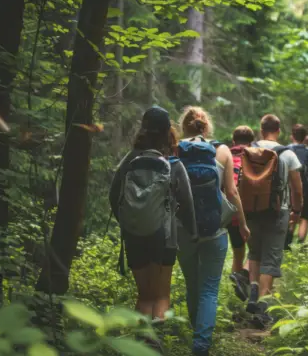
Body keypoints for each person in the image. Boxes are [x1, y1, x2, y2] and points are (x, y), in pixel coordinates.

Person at [109, 106, 197, 351]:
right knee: (160, 296)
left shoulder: (129, 160)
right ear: (168, 131)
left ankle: (140, 343)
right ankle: (153, 342)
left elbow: (113, 195)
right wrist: (193, 232)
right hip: (164, 238)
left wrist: (129, 222)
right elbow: (187, 203)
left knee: (143, 295)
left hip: (134, 235)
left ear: (143, 129)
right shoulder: (173, 162)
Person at [177, 106, 250, 356]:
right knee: (209, 288)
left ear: (183, 126)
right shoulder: (222, 151)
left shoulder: (174, 151)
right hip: (216, 229)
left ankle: (196, 330)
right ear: (206, 126)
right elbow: (232, 192)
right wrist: (242, 223)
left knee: (192, 284)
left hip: (182, 229)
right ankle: (201, 345)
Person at [246, 114, 303, 326]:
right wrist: (296, 212)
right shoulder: (287, 154)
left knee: (255, 253)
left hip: (251, 211)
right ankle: (263, 309)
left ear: (261, 130)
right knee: (270, 259)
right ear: (278, 130)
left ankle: (253, 289)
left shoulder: (249, 151)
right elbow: (297, 188)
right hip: (278, 212)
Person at [227, 126, 255, 302]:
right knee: (256, 253)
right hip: (252, 212)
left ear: (233, 141)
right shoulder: (256, 157)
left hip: (230, 213)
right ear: (251, 142)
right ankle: (247, 285)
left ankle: (234, 298)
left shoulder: (224, 156)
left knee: (238, 252)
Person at [285, 124, 308, 250]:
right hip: (306, 188)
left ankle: (287, 241)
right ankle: (300, 244)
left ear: (291, 136)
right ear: (305, 137)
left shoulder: (286, 150)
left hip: (289, 187)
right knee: (304, 216)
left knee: (291, 213)